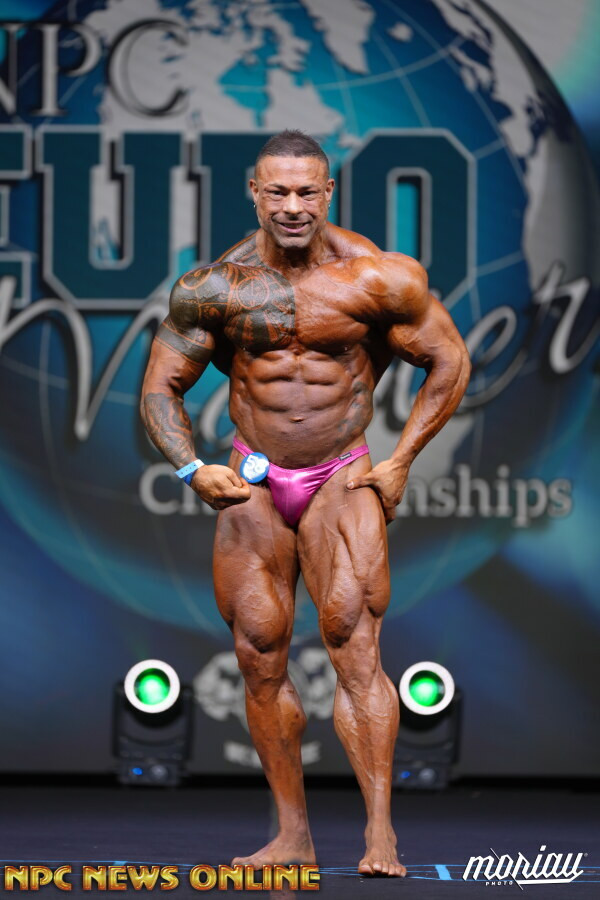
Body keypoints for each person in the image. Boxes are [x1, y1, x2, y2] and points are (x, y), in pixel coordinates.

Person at [141, 129, 471, 877]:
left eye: (306, 191)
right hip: (253, 480)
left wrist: (401, 460)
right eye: (277, 191)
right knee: (258, 652)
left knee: (354, 642)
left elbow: (449, 360)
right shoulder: (216, 287)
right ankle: (292, 834)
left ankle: (380, 834)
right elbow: (161, 386)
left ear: (328, 193)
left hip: (341, 476)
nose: (292, 206)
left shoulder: (378, 278)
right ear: (254, 193)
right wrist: (192, 468)